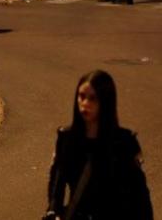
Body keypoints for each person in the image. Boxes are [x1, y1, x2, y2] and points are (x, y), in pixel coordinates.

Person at [44, 70, 153, 220]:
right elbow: (57, 181)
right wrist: (53, 211)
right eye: (81, 96)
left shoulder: (124, 142)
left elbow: (139, 193)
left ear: (105, 101)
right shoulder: (67, 138)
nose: (85, 104)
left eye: (92, 98)